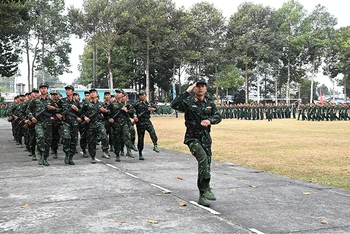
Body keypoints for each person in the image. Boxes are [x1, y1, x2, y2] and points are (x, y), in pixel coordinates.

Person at [171, 78, 222, 207]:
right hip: (192, 137)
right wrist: (187, 91)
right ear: (194, 88)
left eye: (202, 86)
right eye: (197, 86)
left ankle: (206, 189)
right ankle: (203, 192)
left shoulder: (209, 103)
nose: (200, 88)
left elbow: (218, 116)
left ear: (206, 88)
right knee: (203, 159)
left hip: (205, 138)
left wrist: (209, 121)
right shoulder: (188, 102)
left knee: (207, 164)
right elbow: (174, 104)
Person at [27, 83, 58, 166]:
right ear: (40, 90)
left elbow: (58, 110)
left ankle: (45, 158)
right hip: (39, 123)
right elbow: (28, 110)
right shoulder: (35, 100)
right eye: (42, 88)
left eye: (45, 88)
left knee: (47, 141)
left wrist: (53, 108)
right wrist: (32, 117)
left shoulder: (51, 101)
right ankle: (40, 155)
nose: (43, 89)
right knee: (40, 137)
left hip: (48, 124)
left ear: (47, 89)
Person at [80, 88, 110, 163]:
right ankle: (92, 156)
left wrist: (105, 111)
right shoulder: (86, 104)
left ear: (97, 94)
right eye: (91, 93)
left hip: (99, 123)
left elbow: (108, 112)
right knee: (91, 142)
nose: (92, 93)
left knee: (104, 136)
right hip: (90, 124)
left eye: (94, 92)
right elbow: (81, 112)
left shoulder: (101, 104)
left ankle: (105, 150)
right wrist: (85, 117)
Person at [56, 85, 82, 165]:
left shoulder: (76, 102)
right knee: (66, 137)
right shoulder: (62, 101)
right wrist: (57, 114)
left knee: (74, 141)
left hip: (74, 124)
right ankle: (67, 153)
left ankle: (70, 157)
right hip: (65, 123)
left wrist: (77, 110)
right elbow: (56, 109)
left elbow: (82, 113)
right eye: (66, 90)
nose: (67, 91)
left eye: (69, 90)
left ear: (73, 92)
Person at [133, 90, 159, 160]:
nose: (141, 96)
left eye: (143, 95)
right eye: (140, 95)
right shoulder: (137, 104)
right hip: (140, 122)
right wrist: (134, 116)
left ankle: (155, 145)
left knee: (152, 132)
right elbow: (132, 110)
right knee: (141, 138)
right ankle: (140, 152)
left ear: (145, 95)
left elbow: (156, 109)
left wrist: (153, 109)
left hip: (147, 121)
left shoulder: (149, 103)